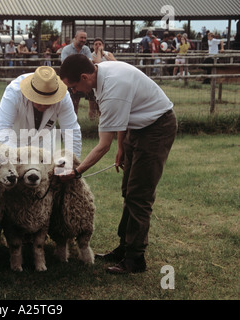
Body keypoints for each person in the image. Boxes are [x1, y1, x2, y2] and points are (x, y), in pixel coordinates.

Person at [58, 54, 177, 274]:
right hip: (137, 126)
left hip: (156, 127)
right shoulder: (101, 74)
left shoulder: (113, 89)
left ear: (84, 77)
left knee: (139, 195)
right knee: (128, 191)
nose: (73, 92)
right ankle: (124, 248)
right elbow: (122, 119)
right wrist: (122, 147)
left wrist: (77, 172)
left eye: (73, 87)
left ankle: (135, 259)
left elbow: (103, 145)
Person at [0, 66, 82, 159]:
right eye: (39, 100)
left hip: (44, 141)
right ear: (30, 94)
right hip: (12, 141)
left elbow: (71, 131)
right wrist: (17, 159)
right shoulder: (14, 92)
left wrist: (72, 164)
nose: (43, 105)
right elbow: (2, 128)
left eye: (48, 101)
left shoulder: (63, 97)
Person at [60, 30, 95, 118]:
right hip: (73, 80)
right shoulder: (66, 49)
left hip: (85, 79)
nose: (83, 40)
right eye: (81, 37)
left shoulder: (86, 49)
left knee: (93, 101)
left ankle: (92, 123)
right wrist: (82, 65)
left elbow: (90, 63)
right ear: (75, 38)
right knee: (74, 103)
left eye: (85, 38)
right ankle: (73, 122)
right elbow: (65, 64)